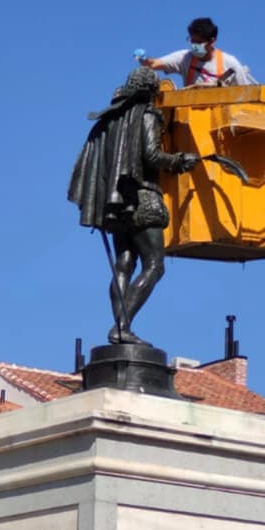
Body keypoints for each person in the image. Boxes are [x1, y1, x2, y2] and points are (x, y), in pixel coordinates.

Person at [67, 67, 200, 345]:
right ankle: (122, 326)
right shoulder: (148, 114)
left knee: (124, 264)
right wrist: (177, 161)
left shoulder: (110, 120)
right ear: (151, 91)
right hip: (144, 199)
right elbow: (150, 155)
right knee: (155, 265)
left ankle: (119, 327)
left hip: (118, 203)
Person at [136, 17, 255, 87]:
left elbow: (245, 94)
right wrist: (143, 59)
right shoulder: (184, 58)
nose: (194, 47)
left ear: (212, 41)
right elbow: (153, 64)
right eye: (192, 42)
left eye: (198, 43)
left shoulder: (230, 64)